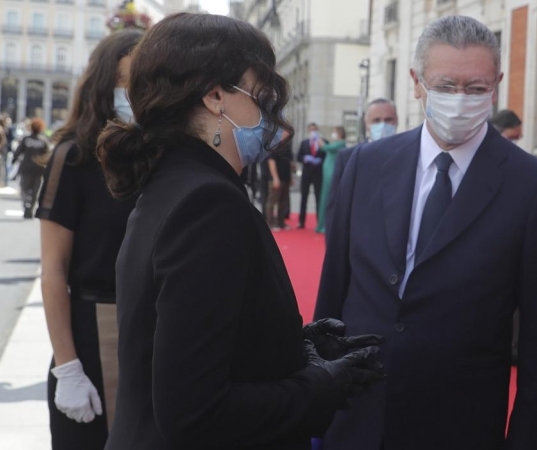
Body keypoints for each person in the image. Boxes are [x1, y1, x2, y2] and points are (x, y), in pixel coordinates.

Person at [96, 14, 384, 450]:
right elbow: (193, 411)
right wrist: (322, 387)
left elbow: (191, 339)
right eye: (262, 93)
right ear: (215, 97)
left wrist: (294, 346)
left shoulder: (178, 182)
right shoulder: (208, 203)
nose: (273, 111)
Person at [314, 15, 537, 449]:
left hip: (460, 426)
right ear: (417, 83)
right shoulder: (365, 165)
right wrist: (315, 407)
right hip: (355, 417)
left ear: (496, 84)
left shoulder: (534, 187)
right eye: (446, 86)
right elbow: (333, 293)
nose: (460, 101)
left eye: (475, 89)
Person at [35, 30, 142, 450]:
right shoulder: (73, 157)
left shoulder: (163, 154)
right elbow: (53, 271)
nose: (136, 95)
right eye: (127, 83)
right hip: (91, 332)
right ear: (106, 83)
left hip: (155, 328)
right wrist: (68, 368)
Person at [324, 98, 398, 234]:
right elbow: (335, 207)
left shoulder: (408, 154)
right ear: (366, 123)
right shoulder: (347, 157)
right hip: (360, 239)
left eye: (388, 120)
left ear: (396, 121)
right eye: (376, 120)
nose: (383, 125)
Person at [13, 118, 50, 218]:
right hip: (39, 169)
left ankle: (26, 204)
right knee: (35, 190)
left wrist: (14, 160)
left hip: (26, 167)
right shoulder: (43, 140)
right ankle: (31, 207)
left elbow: (18, 151)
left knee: (24, 188)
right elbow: (48, 155)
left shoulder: (26, 139)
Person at [315, 126, 346, 234]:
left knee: (327, 196)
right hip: (327, 170)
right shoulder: (336, 143)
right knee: (324, 196)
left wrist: (318, 139)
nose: (333, 134)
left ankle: (325, 224)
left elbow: (325, 148)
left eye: (334, 132)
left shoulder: (341, 143)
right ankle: (321, 223)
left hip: (331, 172)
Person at [296, 123, 325, 229]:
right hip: (307, 173)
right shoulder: (304, 143)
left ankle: (319, 221)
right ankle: (301, 221)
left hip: (318, 173)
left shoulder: (323, 142)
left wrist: (320, 160)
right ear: (308, 131)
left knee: (318, 198)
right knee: (304, 197)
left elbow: (327, 155)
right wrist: (305, 158)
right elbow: (298, 156)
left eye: (315, 129)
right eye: (311, 129)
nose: (313, 131)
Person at [264, 129, 293, 230]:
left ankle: (281, 222)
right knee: (272, 201)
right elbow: (271, 162)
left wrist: (291, 177)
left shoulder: (288, 146)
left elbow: (289, 163)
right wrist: (275, 178)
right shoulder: (275, 145)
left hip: (285, 177)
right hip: (276, 178)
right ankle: (270, 223)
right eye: (286, 131)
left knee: (283, 201)